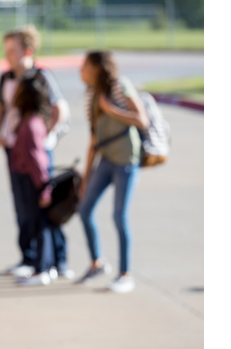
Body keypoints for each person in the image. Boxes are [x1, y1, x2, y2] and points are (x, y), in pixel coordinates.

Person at [0, 25, 73, 280]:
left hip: (35, 148)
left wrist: (45, 136)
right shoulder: (6, 78)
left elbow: (60, 109)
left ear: (27, 50)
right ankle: (30, 257)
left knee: (45, 204)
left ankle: (56, 259)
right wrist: (0, 133)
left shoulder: (40, 77)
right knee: (23, 206)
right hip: (14, 147)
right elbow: (1, 108)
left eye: (12, 50)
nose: (8, 55)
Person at [76, 51, 149, 293]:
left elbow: (142, 120)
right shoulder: (90, 96)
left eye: (85, 66)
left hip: (127, 160)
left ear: (97, 68)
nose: (81, 71)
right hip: (105, 160)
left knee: (119, 216)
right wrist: (86, 177)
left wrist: (110, 109)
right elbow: (93, 139)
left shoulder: (120, 87)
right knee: (84, 209)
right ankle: (97, 262)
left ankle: (125, 274)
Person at [10, 75, 55, 285]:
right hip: (32, 180)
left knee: (39, 225)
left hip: (32, 181)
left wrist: (44, 189)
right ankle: (46, 266)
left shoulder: (30, 125)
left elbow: (36, 160)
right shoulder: (32, 120)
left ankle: (41, 269)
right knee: (39, 224)